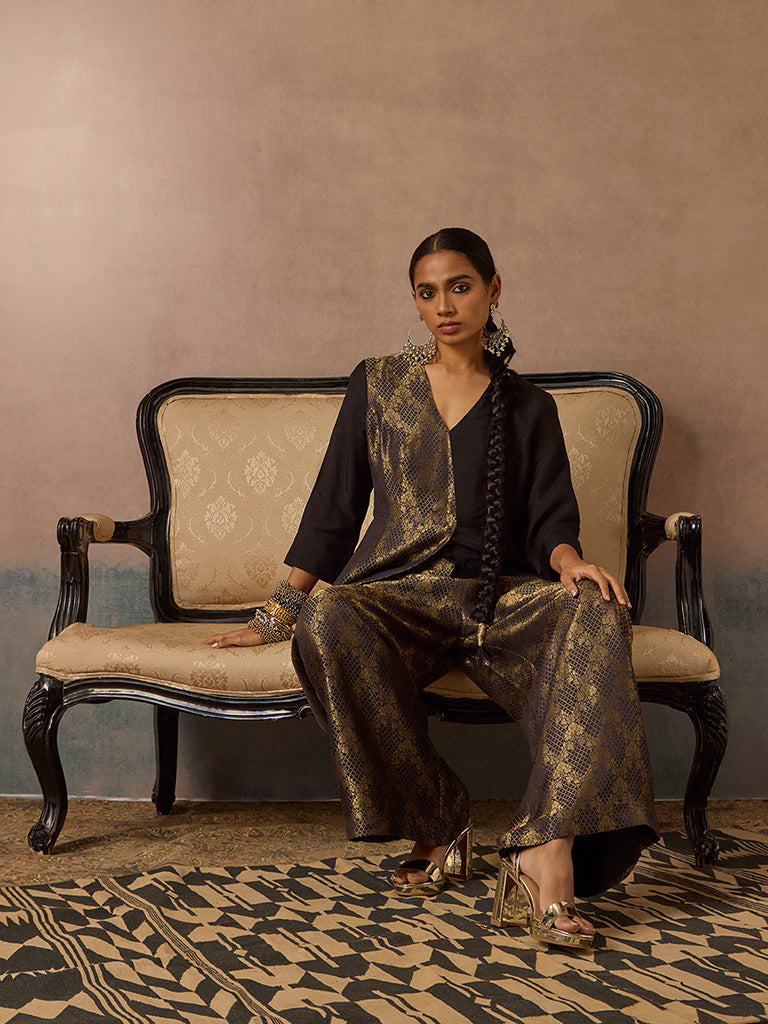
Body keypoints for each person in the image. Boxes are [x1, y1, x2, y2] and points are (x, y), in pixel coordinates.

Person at [205, 227, 659, 949]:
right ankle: (438, 816)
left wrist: (570, 560)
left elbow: (551, 517)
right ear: (414, 301)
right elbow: (334, 508)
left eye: (460, 287)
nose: (444, 306)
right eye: (427, 292)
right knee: (327, 617)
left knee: (597, 609)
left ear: (493, 290)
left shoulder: (528, 405)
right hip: (398, 597)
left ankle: (548, 849)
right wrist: (278, 611)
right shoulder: (379, 384)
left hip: (499, 600)